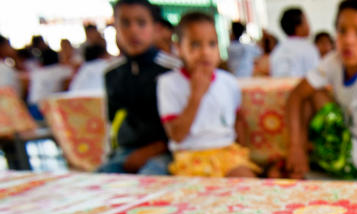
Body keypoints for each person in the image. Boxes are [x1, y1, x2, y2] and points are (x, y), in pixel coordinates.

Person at [286, 0, 357, 180]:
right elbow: (296, 96)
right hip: (341, 140)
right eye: (342, 31)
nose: (348, 40)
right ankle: (299, 160)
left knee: (316, 96)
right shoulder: (334, 60)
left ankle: (302, 166)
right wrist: (295, 145)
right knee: (310, 96)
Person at [157, 12, 258, 177]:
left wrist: (244, 151)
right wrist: (196, 95)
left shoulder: (228, 81)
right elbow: (177, 135)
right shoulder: (168, 83)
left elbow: (238, 121)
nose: (205, 52)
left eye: (212, 44)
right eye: (195, 44)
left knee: (247, 186)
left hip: (227, 152)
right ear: (178, 48)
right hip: (189, 156)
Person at [99, 0, 182, 175]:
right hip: (125, 152)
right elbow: (112, 123)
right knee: (100, 182)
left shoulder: (173, 70)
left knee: (149, 179)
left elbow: (184, 124)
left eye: (141, 23)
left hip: (167, 151)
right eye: (125, 23)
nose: (133, 30)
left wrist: (150, 151)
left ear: (156, 28)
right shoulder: (111, 73)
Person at [270, 7, 320, 77]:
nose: (309, 25)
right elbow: (316, 78)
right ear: (298, 27)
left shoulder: (278, 49)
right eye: (306, 21)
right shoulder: (308, 48)